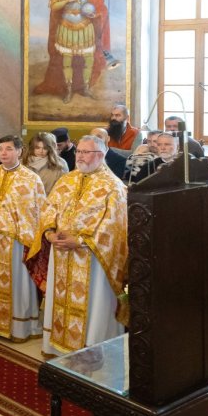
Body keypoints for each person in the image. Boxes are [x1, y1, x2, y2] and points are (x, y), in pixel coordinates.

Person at [41, 135, 129, 355]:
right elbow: (49, 208)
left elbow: (114, 227)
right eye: (79, 151)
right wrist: (49, 232)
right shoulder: (67, 180)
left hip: (92, 258)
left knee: (93, 303)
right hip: (61, 252)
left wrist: (80, 241)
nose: (79, 156)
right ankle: (58, 346)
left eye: (85, 152)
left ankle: (91, 349)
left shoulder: (114, 187)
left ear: (100, 154)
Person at [0, 136, 47, 341]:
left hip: (16, 241)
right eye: (1, 149)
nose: (4, 153)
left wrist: (31, 241)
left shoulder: (31, 179)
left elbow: (39, 212)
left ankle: (19, 326)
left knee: (16, 281)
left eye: (9, 149)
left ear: (20, 152)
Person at [31, 0, 110, 102]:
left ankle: (86, 88)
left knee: (88, 59)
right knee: (66, 60)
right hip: (66, 27)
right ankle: (68, 89)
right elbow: (54, 6)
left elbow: (100, 7)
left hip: (86, 27)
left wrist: (95, 13)